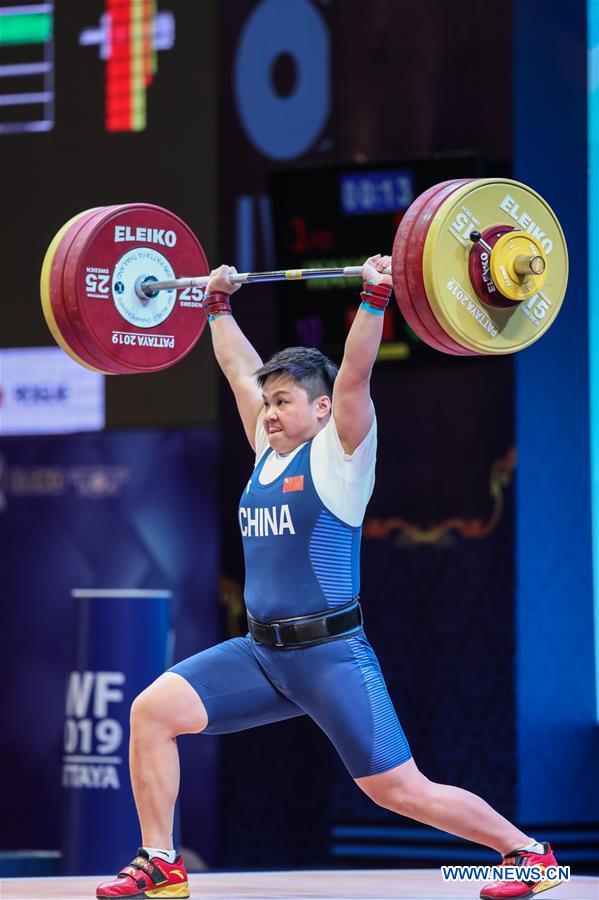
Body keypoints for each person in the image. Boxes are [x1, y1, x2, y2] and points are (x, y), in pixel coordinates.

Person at [97, 257, 560, 900]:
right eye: (269, 402)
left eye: (283, 401)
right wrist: (217, 304)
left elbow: (357, 376)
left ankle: (530, 854)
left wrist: (373, 296)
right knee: (151, 712)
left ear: (319, 406)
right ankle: (161, 863)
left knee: (400, 791)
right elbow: (236, 368)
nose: (271, 412)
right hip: (261, 655)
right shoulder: (267, 451)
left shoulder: (342, 456)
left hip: (331, 658)